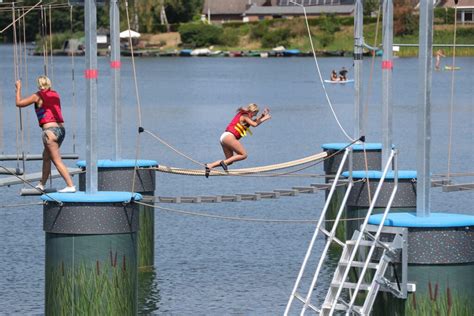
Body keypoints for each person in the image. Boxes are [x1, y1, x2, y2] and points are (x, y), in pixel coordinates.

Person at [15, 76, 76, 193]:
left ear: (39, 85)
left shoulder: (37, 96)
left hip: (49, 132)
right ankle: (42, 184)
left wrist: (18, 88)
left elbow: (19, 103)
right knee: (46, 157)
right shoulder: (55, 94)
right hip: (61, 131)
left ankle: (70, 185)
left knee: (56, 160)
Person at [205, 103, 271, 177]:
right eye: (255, 114)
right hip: (229, 137)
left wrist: (262, 116)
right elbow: (254, 124)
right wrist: (265, 118)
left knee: (229, 161)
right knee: (243, 155)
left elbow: (254, 122)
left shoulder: (245, 116)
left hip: (224, 137)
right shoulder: (245, 116)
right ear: (252, 111)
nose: (254, 116)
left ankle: (210, 165)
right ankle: (224, 163)